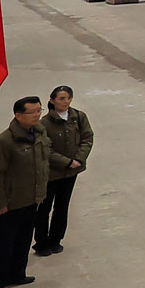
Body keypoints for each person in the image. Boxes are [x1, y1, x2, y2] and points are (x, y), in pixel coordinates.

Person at [34, 85, 90, 257]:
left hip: (71, 171)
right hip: (51, 174)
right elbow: (45, 149)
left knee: (62, 206)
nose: (65, 102)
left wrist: (79, 159)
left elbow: (87, 138)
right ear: (52, 100)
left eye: (68, 98)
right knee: (44, 208)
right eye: (61, 99)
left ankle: (56, 239)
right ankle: (41, 243)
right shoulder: (43, 123)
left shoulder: (78, 117)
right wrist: (66, 162)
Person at [0, 97, 48, 288]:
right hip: (11, 202)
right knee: (5, 243)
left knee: (24, 239)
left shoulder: (39, 134)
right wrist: (1, 202)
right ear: (18, 115)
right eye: (32, 112)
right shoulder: (5, 141)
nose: (37, 114)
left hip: (31, 199)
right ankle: (0, 280)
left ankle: (17, 274)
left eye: (39, 110)